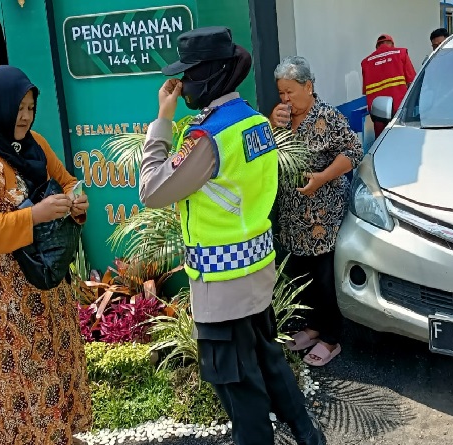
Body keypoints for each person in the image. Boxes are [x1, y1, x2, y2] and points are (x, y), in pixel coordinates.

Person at [138, 27, 323, 445]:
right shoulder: (254, 121)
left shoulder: (208, 137)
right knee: (269, 361)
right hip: (255, 270)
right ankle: (309, 436)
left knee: (239, 389)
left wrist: (162, 122)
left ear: (212, 76)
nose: (182, 85)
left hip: (222, 284)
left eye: (188, 75)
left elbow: (152, 190)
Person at [0, 65, 92, 445]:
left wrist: (75, 200)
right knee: (20, 378)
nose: (25, 116)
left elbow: (67, 179)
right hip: (4, 298)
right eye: (18, 107)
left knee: (55, 365)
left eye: (30, 107)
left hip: (44, 282)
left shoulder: (35, 145)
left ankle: (59, 435)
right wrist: (35, 216)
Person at [268, 56, 363, 367]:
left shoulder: (327, 117)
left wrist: (322, 177)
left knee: (323, 279)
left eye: (290, 92)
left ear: (308, 87)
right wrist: (271, 125)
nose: (285, 99)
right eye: (281, 92)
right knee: (300, 275)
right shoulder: (280, 118)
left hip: (322, 215)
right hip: (292, 215)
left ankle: (331, 338)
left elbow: (353, 152)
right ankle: (312, 327)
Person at [361, 34, 417, 138]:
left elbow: (365, 91)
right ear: (392, 44)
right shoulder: (401, 53)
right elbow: (412, 81)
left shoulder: (366, 62)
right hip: (399, 111)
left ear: (377, 47)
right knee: (402, 139)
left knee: (381, 142)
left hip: (378, 115)